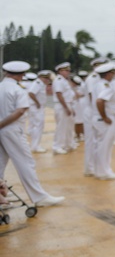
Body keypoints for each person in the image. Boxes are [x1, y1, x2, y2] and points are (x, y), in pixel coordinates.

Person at [0, 61, 65, 207]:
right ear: (21, 74)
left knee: (0, 162)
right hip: (12, 129)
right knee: (25, 162)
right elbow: (20, 110)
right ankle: (39, 197)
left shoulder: (1, 86)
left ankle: (0, 195)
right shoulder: (17, 89)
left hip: (2, 130)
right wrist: (2, 124)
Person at [91, 63, 115, 180]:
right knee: (105, 147)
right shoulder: (106, 86)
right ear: (108, 74)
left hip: (97, 118)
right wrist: (104, 116)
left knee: (99, 146)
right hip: (105, 119)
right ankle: (104, 172)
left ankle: (99, 171)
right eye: (113, 73)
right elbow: (100, 101)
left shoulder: (97, 84)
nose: (114, 75)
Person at [51, 62, 76, 154]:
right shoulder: (58, 80)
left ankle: (68, 144)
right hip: (62, 105)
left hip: (68, 104)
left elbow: (68, 95)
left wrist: (71, 108)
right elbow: (59, 94)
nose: (68, 72)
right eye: (66, 70)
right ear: (60, 71)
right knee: (61, 127)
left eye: (68, 70)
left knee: (69, 126)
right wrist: (66, 107)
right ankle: (57, 146)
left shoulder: (65, 80)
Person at [26, 70, 51, 153]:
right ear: (41, 77)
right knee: (38, 126)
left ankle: (35, 145)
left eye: (48, 78)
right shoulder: (37, 83)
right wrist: (37, 103)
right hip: (36, 107)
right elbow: (31, 93)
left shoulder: (40, 84)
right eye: (45, 78)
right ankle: (35, 146)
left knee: (36, 126)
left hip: (37, 107)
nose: (47, 80)